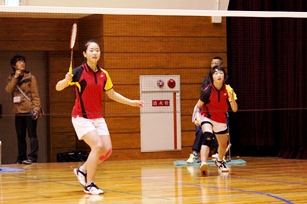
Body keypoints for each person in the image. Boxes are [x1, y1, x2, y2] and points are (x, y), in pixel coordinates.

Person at [55, 39, 145, 195]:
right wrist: (65, 80)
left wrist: (131, 102)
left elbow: (111, 94)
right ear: (85, 54)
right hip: (81, 117)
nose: (95, 53)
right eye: (91, 50)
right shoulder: (78, 72)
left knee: (107, 150)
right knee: (97, 146)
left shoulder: (104, 74)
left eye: (97, 50)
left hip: (97, 117)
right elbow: (58, 87)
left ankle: (82, 170)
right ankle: (90, 184)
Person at [195, 66, 238, 174]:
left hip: (221, 119)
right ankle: (203, 163)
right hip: (207, 117)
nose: (219, 75)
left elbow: (235, 109)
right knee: (208, 136)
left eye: (221, 73)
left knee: (223, 145)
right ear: (212, 77)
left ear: (224, 75)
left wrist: (232, 98)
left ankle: (219, 161)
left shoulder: (228, 90)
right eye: (216, 73)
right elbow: (198, 106)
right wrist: (197, 117)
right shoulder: (207, 90)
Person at [5, 55, 42, 165]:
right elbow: (8, 90)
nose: (22, 63)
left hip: (30, 110)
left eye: (23, 61)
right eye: (19, 62)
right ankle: (21, 157)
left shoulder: (30, 77)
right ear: (13, 65)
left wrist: (36, 109)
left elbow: (35, 95)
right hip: (18, 111)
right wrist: (15, 78)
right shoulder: (11, 78)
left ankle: (32, 157)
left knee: (32, 134)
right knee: (20, 136)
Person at [186, 56, 223, 163]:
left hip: (218, 113)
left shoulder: (225, 82)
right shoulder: (207, 81)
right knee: (200, 131)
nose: (214, 65)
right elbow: (201, 99)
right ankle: (195, 154)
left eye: (217, 63)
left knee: (219, 132)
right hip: (205, 112)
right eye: (212, 63)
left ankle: (218, 153)